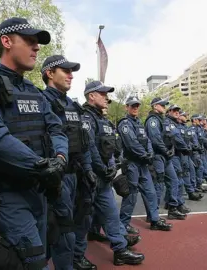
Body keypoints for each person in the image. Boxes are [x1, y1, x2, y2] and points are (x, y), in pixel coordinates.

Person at [0, 17, 69, 269]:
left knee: (43, 255)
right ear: (7, 41)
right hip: (9, 194)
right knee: (29, 261)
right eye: (30, 41)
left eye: (37, 43)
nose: (37, 48)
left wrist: (60, 159)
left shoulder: (33, 91)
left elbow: (56, 128)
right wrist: (42, 166)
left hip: (41, 191)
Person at [77, 81, 145, 267]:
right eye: (102, 94)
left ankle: (120, 250)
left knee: (111, 214)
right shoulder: (86, 119)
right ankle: (76, 257)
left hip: (104, 179)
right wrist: (102, 168)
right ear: (91, 96)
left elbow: (113, 147)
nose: (107, 98)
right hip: (90, 177)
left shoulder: (103, 120)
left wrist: (114, 165)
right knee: (82, 220)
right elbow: (89, 147)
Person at [40, 55, 98, 270]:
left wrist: (88, 169)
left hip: (76, 174)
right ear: (49, 73)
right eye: (65, 71)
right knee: (61, 231)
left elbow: (82, 141)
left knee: (76, 223)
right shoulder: (42, 101)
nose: (71, 75)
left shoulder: (72, 105)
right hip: (58, 177)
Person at [117, 96, 172, 231]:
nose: (135, 108)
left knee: (151, 192)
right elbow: (132, 144)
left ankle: (154, 220)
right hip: (132, 164)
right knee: (131, 196)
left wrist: (150, 153)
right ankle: (123, 224)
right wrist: (146, 155)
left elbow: (147, 140)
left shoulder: (139, 123)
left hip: (143, 164)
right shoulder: (125, 124)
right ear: (127, 107)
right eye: (132, 106)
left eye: (137, 106)